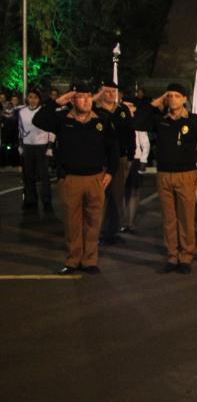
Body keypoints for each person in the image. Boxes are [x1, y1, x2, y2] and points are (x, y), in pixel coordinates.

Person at [32, 82, 119, 275]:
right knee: (72, 222)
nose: (86, 100)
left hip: (95, 178)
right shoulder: (62, 119)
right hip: (70, 178)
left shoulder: (101, 121)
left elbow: (113, 148)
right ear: (72, 99)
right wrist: (56, 102)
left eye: (89, 96)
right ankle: (73, 259)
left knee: (93, 221)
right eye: (81, 96)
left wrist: (111, 172)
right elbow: (38, 120)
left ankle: (90, 260)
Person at [133, 83, 197, 274]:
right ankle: (172, 255)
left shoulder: (194, 121)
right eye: (169, 96)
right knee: (169, 219)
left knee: (185, 218)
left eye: (177, 96)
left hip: (186, 174)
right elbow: (136, 122)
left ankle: (186, 256)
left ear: (185, 99)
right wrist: (155, 103)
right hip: (164, 174)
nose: (173, 99)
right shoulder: (161, 120)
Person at [94, 81, 135, 246]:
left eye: (113, 91)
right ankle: (97, 233)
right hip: (101, 160)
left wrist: (130, 156)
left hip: (120, 159)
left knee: (117, 197)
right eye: (107, 91)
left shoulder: (122, 110)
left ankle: (112, 232)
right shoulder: (95, 111)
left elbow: (130, 133)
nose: (111, 94)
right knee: (100, 199)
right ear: (101, 93)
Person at [14, 88, 53, 211]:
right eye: (30, 97)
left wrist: (50, 146)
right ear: (27, 98)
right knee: (28, 175)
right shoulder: (22, 112)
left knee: (44, 175)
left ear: (39, 99)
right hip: (27, 146)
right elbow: (20, 129)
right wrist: (20, 145)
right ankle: (31, 200)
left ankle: (46, 201)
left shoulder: (45, 111)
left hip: (42, 145)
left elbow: (52, 129)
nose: (33, 100)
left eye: (35, 97)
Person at [120, 97, 149, 233]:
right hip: (121, 160)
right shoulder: (119, 121)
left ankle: (130, 221)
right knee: (121, 192)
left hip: (135, 160)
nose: (127, 109)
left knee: (133, 192)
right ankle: (123, 220)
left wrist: (143, 160)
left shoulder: (138, 124)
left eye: (129, 106)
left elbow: (146, 145)